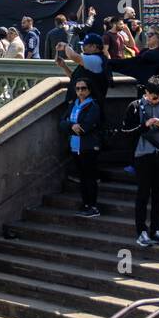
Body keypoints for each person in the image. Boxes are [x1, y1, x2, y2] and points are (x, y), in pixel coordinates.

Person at [118, 76, 159, 246]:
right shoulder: (135, 107)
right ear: (146, 92)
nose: (158, 101)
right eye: (155, 97)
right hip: (142, 156)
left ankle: (156, 230)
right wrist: (145, 125)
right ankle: (142, 231)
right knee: (143, 194)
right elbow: (125, 132)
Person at [61, 77, 104, 219]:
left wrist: (71, 126)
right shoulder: (73, 105)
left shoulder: (93, 106)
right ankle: (85, 204)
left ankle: (93, 206)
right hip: (75, 147)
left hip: (88, 147)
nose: (80, 91)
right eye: (78, 88)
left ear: (89, 90)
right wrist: (71, 125)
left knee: (90, 177)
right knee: (82, 177)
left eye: (83, 88)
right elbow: (62, 122)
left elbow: (85, 127)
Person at [56, 32, 111, 110]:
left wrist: (65, 46)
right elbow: (75, 78)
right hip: (78, 106)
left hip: (89, 108)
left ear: (94, 47)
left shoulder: (97, 60)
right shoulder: (90, 59)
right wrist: (64, 66)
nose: (82, 48)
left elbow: (72, 56)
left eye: (85, 45)